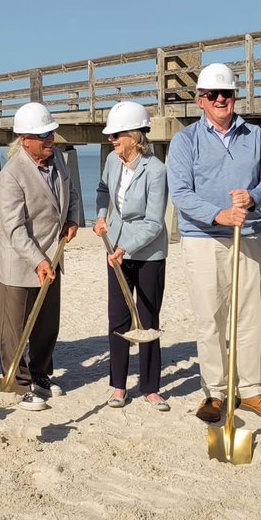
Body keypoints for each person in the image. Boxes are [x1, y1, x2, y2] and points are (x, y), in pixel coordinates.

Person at [167, 63, 261, 424]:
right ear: (200, 100)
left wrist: (252, 197)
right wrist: (218, 215)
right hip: (204, 239)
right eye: (213, 94)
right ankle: (215, 392)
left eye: (227, 93)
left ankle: (250, 390)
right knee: (210, 319)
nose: (221, 99)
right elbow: (180, 193)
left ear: (235, 96)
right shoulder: (185, 140)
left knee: (251, 316)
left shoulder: (255, 134)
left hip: (252, 236)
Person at [0, 102, 81, 412]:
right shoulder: (10, 176)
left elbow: (72, 194)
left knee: (46, 324)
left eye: (51, 132)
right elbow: (14, 229)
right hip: (20, 262)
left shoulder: (59, 161)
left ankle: (41, 373)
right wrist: (38, 260)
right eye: (42, 135)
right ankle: (18, 382)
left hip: (53, 257)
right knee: (15, 329)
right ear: (24, 139)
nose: (49, 139)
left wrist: (73, 219)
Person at [93, 102, 170, 412]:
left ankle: (151, 388)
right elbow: (102, 189)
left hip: (149, 253)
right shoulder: (112, 161)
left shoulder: (157, 170)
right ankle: (119, 386)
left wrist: (127, 247)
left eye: (115, 136)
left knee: (147, 319)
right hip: (116, 249)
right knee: (119, 319)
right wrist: (101, 216)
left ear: (134, 136)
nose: (111, 140)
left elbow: (154, 222)